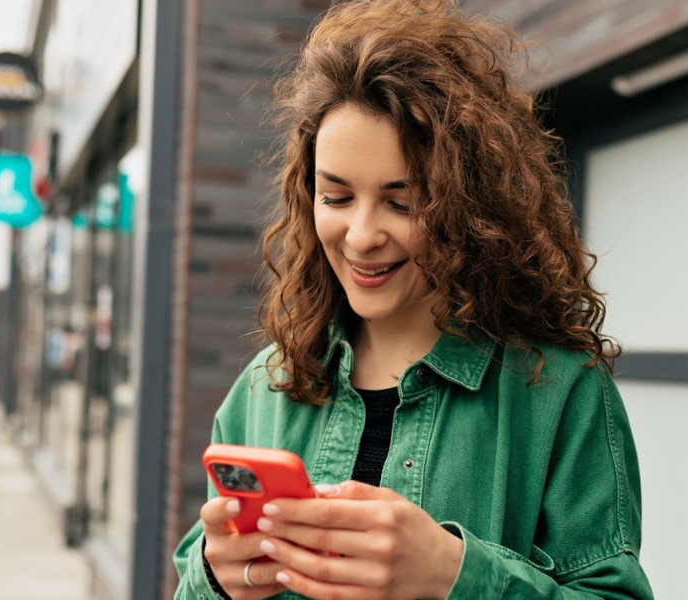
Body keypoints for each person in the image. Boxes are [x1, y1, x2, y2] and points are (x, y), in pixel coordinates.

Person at [173, 1, 654, 599]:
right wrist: (217, 579)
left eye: (403, 202)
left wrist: (454, 573)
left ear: (471, 208)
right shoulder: (263, 387)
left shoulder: (561, 393)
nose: (363, 235)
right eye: (337, 197)